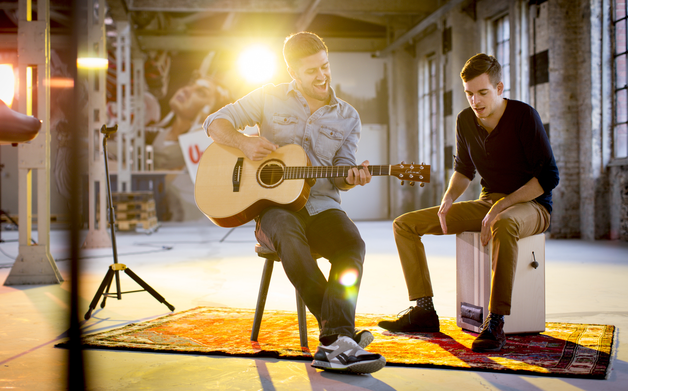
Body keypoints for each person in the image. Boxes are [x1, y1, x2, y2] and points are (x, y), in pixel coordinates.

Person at [202, 32, 386, 375]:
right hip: (273, 210)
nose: (322, 76)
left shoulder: (348, 117)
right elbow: (214, 123)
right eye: (311, 71)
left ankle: (333, 340)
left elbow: (340, 173)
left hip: (322, 206)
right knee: (290, 238)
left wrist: (352, 177)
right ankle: (338, 337)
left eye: (325, 66)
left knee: (352, 245)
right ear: (293, 73)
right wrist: (243, 143)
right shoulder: (268, 97)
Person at [378, 53, 559, 353]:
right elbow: (464, 169)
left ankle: (496, 321)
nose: (475, 101)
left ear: (500, 88)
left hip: (533, 205)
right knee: (404, 225)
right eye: (469, 94)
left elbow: (548, 178)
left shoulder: (524, 117)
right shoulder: (465, 120)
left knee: (504, 222)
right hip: (488, 202)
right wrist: (448, 198)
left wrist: (502, 206)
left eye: (483, 92)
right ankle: (424, 310)